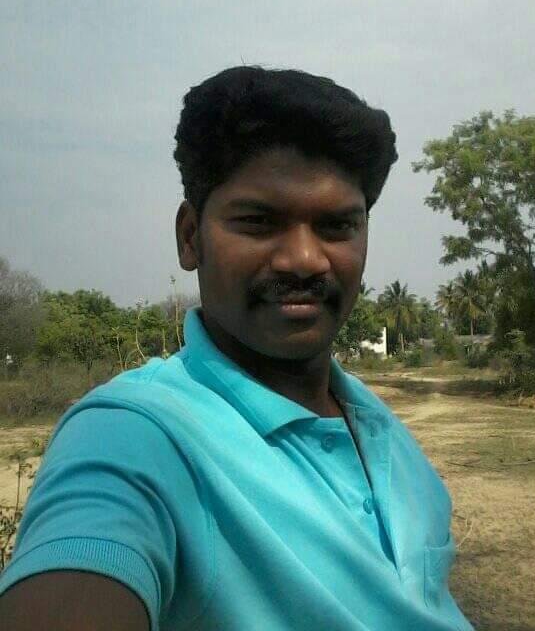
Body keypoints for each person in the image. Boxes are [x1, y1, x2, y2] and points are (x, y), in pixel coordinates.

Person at [0, 67, 473, 630]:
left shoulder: (376, 424)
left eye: (336, 226)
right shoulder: (137, 437)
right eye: (258, 222)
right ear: (190, 237)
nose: (305, 259)